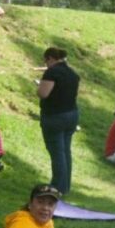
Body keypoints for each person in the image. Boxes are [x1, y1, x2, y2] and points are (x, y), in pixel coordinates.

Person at [36, 47, 80, 195]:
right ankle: (65, 186)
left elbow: (43, 93)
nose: (46, 64)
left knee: (57, 153)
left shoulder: (52, 72)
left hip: (54, 116)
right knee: (66, 151)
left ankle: (57, 187)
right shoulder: (73, 74)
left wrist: (38, 86)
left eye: (46, 60)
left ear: (50, 58)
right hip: (72, 114)